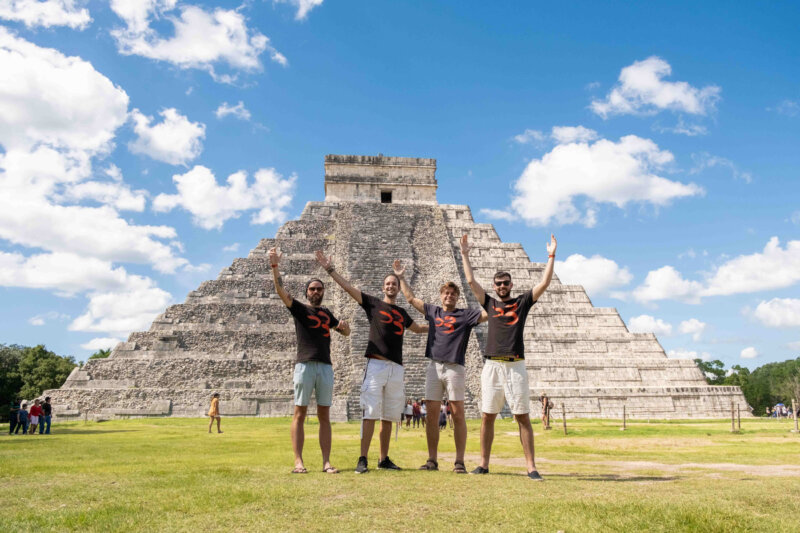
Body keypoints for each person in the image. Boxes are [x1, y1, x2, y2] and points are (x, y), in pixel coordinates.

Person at [316, 250, 427, 474]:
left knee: (389, 416)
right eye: (387, 283)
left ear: (398, 287)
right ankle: (363, 458)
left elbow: (418, 329)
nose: (390, 286)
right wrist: (330, 270)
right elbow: (348, 288)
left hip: (396, 368)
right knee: (370, 412)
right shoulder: (373, 304)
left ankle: (383, 458)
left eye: (394, 284)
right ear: (383, 287)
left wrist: (444, 322)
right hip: (376, 365)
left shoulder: (403, 312)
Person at [461, 233, 557, 481]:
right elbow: (471, 281)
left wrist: (551, 255)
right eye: (498, 283)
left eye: (505, 283)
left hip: (515, 365)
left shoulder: (522, 303)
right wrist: (464, 253)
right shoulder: (490, 304)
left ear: (511, 285)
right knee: (487, 416)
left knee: (522, 416)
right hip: (492, 364)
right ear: (494, 287)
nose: (502, 286)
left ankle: (531, 466)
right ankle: (483, 464)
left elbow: (544, 283)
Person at [393, 260, 489, 473]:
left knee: (458, 414)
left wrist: (498, 301)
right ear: (441, 296)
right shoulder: (434, 312)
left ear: (458, 297)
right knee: (432, 416)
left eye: (453, 294)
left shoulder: (465, 315)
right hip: (434, 367)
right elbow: (410, 299)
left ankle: (459, 461)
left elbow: (488, 313)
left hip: (455, 368)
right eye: (446, 293)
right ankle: (432, 460)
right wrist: (400, 277)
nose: (449, 296)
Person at [271, 247, 350, 474]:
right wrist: (275, 267)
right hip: (304, 364)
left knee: (325, 416)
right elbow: (280, 290)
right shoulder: (300, 309)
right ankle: (298, 461)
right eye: (312, 288)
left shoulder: (327, 313)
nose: (316, 291)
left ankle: (326, 462)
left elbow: (343, 332)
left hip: (325, 366)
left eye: (319, 288)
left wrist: (346, 328)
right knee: (300, 413)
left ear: (323, 292)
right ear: (306, 292)